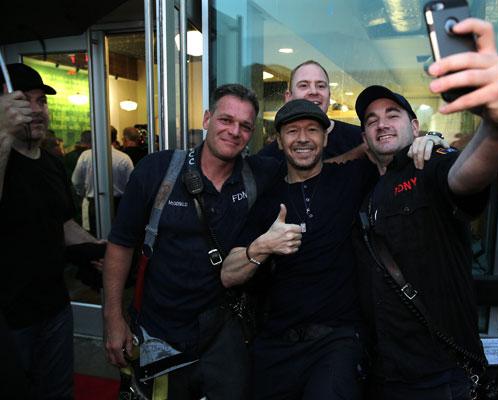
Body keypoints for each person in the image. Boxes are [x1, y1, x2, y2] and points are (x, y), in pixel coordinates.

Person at [221, 99, 441, 400]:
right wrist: (261, 247)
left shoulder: (353, 177)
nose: (302, 138)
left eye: (312, 130)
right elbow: (228, 275)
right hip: (276, 345)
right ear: (279, 141)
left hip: (337, 340)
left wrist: (429, 139)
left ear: (325, 138)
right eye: (292, 131)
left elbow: (389, 151)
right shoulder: (268, 198)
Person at [352, 19, 498, 399]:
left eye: (393, 114)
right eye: (371, 120)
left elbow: (466, 175)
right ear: (363, 139)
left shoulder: (431, 166)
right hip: (380, 373)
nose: (381, 124)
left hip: (441, 377)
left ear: (415, 126)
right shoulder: (366, 194)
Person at [103, 84, 281, 399]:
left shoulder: (258, 176)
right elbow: (120, 245)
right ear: (207, 119)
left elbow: (312, 160)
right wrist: (113, 317)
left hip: (223, 336)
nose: (234, 131)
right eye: (226, 120)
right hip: (160, 330)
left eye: (244, 126)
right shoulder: (158, 170)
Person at [0, 63, 103, 400]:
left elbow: (62, 224)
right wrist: (2, 134)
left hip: (55, 306)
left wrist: (97, 248)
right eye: (23, 100)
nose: (35, 110)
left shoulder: (51, 162)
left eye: (40, 101)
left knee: (58, 392)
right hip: (9, 316)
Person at [258, 60, 364, 159]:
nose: (313, 91)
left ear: (329, 95)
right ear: (288, 97)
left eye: (321, 86)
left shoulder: (360, 140)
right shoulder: (268, 158)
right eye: (304, 85)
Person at [71, 127, 134, 235]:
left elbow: (76, 181)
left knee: (94, 237)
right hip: (119, 204)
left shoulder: (86, 156)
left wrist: (83, 193)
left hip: (93, 203)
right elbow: (132, 185)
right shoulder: (124, 158)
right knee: (118, 236)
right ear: (115, 138)